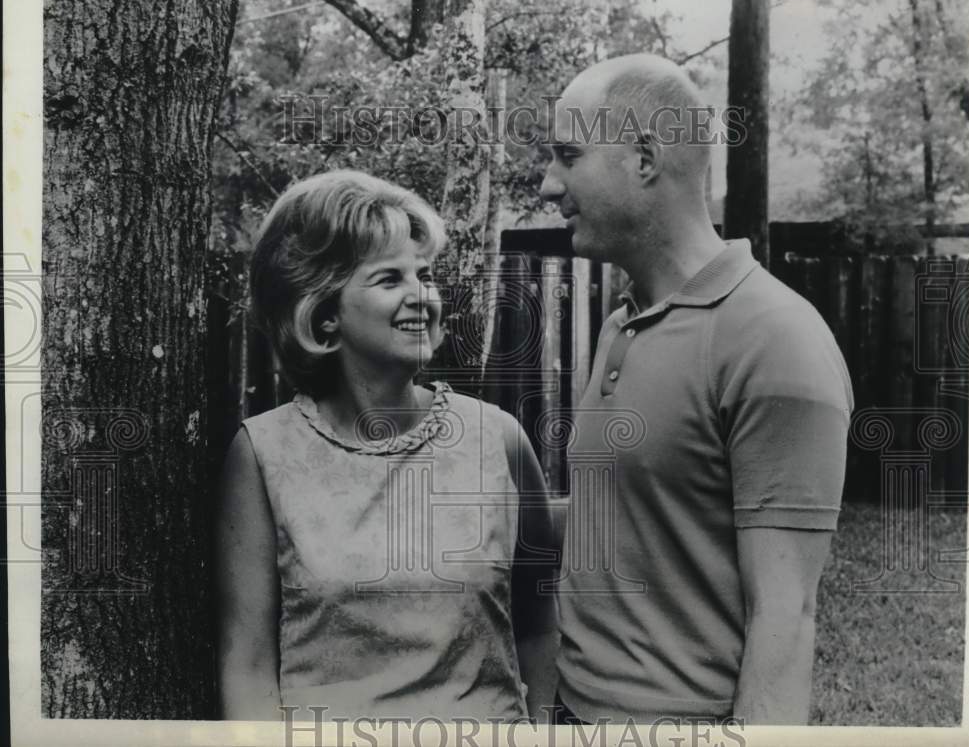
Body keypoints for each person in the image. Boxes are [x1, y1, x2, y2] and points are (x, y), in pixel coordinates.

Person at [539, 54, 853, 725]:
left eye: (569, 155)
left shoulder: (774, 337)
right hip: (570, 711)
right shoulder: (626, 322)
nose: (547, 184)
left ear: (643, 158)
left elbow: (787, 615)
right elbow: (633, 513)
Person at [216, 170, 558, 722]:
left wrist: (538, 730)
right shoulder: (263, 452)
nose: (422, 296)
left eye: (425, 275)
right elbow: (247, 662)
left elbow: (540, 624)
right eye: (389, 279)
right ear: (324, 313)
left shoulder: (498, 439)